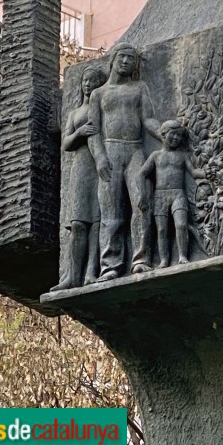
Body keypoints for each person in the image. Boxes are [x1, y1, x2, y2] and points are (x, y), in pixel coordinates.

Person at [88, 42, 161, 281]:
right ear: (112, 59)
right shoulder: (98, 94)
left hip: (135, 152)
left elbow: (149, 120)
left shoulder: (139, 88)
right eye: (122, 56)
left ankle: (140, 259)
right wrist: (99, 157)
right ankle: (110, 265)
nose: (126, 61)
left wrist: (166, 133)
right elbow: (93, 130)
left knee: (142, 203)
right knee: (111, 212)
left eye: (131, 58)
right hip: (110, 151)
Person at [52, 65, 106, 291]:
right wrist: (79, 133)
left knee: (96, 221)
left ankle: (92, 271)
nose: (87, 84)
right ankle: (72, 275)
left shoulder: (102, 106)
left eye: (93, 80)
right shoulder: (75, 113)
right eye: (85, 80)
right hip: (81, 167)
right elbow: (65, 143)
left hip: (99, 165)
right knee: (77, 223)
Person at [138, 120, 206, 268]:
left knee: (181, 225)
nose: (176, 138)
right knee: (162, 229)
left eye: (179, 136)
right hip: (160, 196)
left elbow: (193, 172)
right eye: (173, 134)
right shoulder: (156, 156)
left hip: (178, 195)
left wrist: (206, 172)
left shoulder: (182, 156)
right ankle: (164, 260)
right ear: (163, 135)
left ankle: (182, 256)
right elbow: (142, 174)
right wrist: (143, 196)